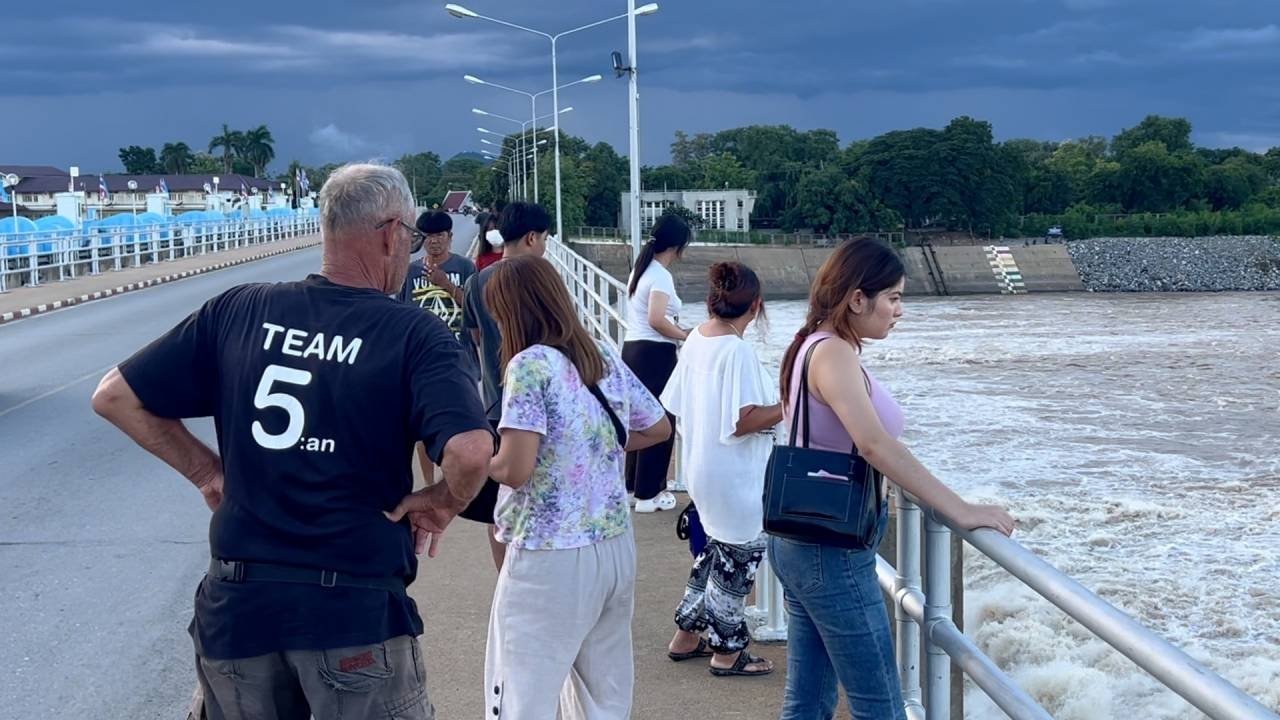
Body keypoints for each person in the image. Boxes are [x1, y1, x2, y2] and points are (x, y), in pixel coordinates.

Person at [90, 163, 494, 720]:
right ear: (389, 233)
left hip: (237, 609)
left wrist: (208, 473)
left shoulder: (239, 309)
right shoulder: (412, 333)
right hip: (351, 611)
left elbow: (115, 396)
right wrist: (445, 501)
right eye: (409, 239)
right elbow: (471, 451)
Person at [770, 238, 1016, 720]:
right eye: (894, 298)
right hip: (831, 551)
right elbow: (874, 444)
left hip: (800, 539)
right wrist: (960, 509)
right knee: (879, 704)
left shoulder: (807, 344)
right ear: (857, 299)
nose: (900, 310)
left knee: (809, 699)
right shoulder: (833, 353)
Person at [483, 255, 671, 720]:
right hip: (612, 543)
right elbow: (657, 427)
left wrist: (473, 459)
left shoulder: (528, 366)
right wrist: (586, 453)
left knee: (523, 693)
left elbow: (516, 468)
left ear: (509, 313)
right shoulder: (598, 355)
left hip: (550, 555)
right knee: (602, 694)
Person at [661, 261, 780, 678]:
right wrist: (790, 405)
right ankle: (728, 651)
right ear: (756, 306)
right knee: (739, 557)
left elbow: (674, 403)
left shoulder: (697, 338)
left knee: (715, 552)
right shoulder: (737, 350)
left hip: (701, 463)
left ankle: (687, 634)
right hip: (734, 473)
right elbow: (744, 419)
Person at [460, 201, 551, 569]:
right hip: (540, 407)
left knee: (499, 507)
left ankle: (505, 579)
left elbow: (477, 336)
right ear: (531, 237)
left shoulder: (477, 281)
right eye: (544, 238)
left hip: (497, 403)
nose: (544, 246)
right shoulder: (543, 281)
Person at [622, 214, 692, 513]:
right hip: (654, 353)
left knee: (639, 417)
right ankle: (651, 492)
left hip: (632, 350)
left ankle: (633, 487)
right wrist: (685, 335)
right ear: (678, 246)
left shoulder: (640, 269)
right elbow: (656, 319)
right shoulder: (661, 276)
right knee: (661, 420)